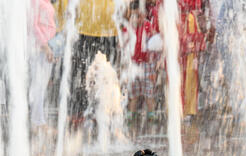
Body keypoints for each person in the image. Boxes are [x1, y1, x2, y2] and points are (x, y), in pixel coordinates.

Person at [55, 0, 118, 129]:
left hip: (107, 29)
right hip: (86, 28)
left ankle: (103, 112)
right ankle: (78, 114)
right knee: (79, 74)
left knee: (104, 76)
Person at [123, 1, 157, 123]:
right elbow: (123, 46)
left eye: (139, 16)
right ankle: (131, 115)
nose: (136, 19)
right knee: (134, 93)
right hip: (133, 64)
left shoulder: (148, 26)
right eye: (133, 16)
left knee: (149, 92)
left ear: (144, 14)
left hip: (147, 64)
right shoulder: (127, 28)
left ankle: (152, 115)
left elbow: (155, 43)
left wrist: (156, 63)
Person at [29, 0, 57, 133]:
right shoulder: (34, 1)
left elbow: (49, 25)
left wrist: (53, 48)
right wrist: (45, 46)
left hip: (48, 49)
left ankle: (38, 120)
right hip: (39, 48)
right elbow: (33, 25)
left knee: (41, 86)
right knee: (38, 85)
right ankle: (37, 122)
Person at [179, 0, 206, 119]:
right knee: (183, 75)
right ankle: (182, 109)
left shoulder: (191, 14)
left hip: (190, 24)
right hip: (181, 23)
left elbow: (198, 11)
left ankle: (189, 109)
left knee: (190, 75)